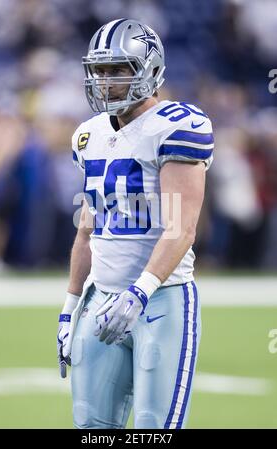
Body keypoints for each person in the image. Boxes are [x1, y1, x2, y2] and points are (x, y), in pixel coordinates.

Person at [57, 18, 214, 429]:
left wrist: (140, 292)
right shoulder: (88, 135)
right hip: (101, 299)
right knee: (91, 427)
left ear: (150, 70)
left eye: (118, 70)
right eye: (100, 70)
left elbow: (181, 227)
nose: (105, 81)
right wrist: (70, 305)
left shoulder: (177, 125)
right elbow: (88, 228)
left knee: (154, 429)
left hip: (161, 300)